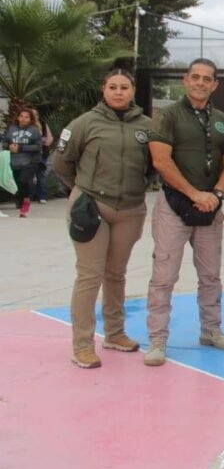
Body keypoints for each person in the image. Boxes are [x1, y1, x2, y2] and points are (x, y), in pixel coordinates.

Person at [53, 69, 153, 369]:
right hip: (91, 206)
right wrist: (80, 190)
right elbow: (62, 162)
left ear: (132, 90)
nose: (118, 92)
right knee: (89, 275)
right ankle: (82, 345)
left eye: (124, 87)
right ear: (103, 90)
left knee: (116, 274)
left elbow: (154, 165)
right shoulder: (84, 123)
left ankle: (115, 333)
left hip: (130, 210)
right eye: (113, 87)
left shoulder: (147, 126)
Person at [144, 58, 224, 366]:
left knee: (210, 275)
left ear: (215, 85)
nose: (200, 83)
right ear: (185, 80)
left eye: (207, 79)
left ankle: (211, 330)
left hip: (210, 208)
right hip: (174, 205)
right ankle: (157, 340)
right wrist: (193, 193)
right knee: (164, 275)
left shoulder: (223, 121)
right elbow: (160, 160)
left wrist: (217, 194)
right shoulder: (167, 116)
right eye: (195, 77)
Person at [5, 108, 42, 218]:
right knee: (18, 184)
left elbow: (38, 147)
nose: (23, 119)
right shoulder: (11, 129)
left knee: (24, 180)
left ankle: (26, 201)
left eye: (26, 117)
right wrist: (9, 146)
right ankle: (21, 202)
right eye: (21, 116)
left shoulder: (34, 130)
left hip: (30, 162)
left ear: (31, 119)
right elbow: (5, 142)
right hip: (15, 161)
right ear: (18, 117)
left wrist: (21, 148)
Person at [35, 113, 53, 203]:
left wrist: (40, 141)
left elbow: (49, 139)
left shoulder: (43, 124)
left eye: (36, 114)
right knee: (27, 175)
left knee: (41, 174)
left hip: (42, 153)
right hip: (28, 153)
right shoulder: (25, 126)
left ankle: (42, 196)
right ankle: (27, 196)